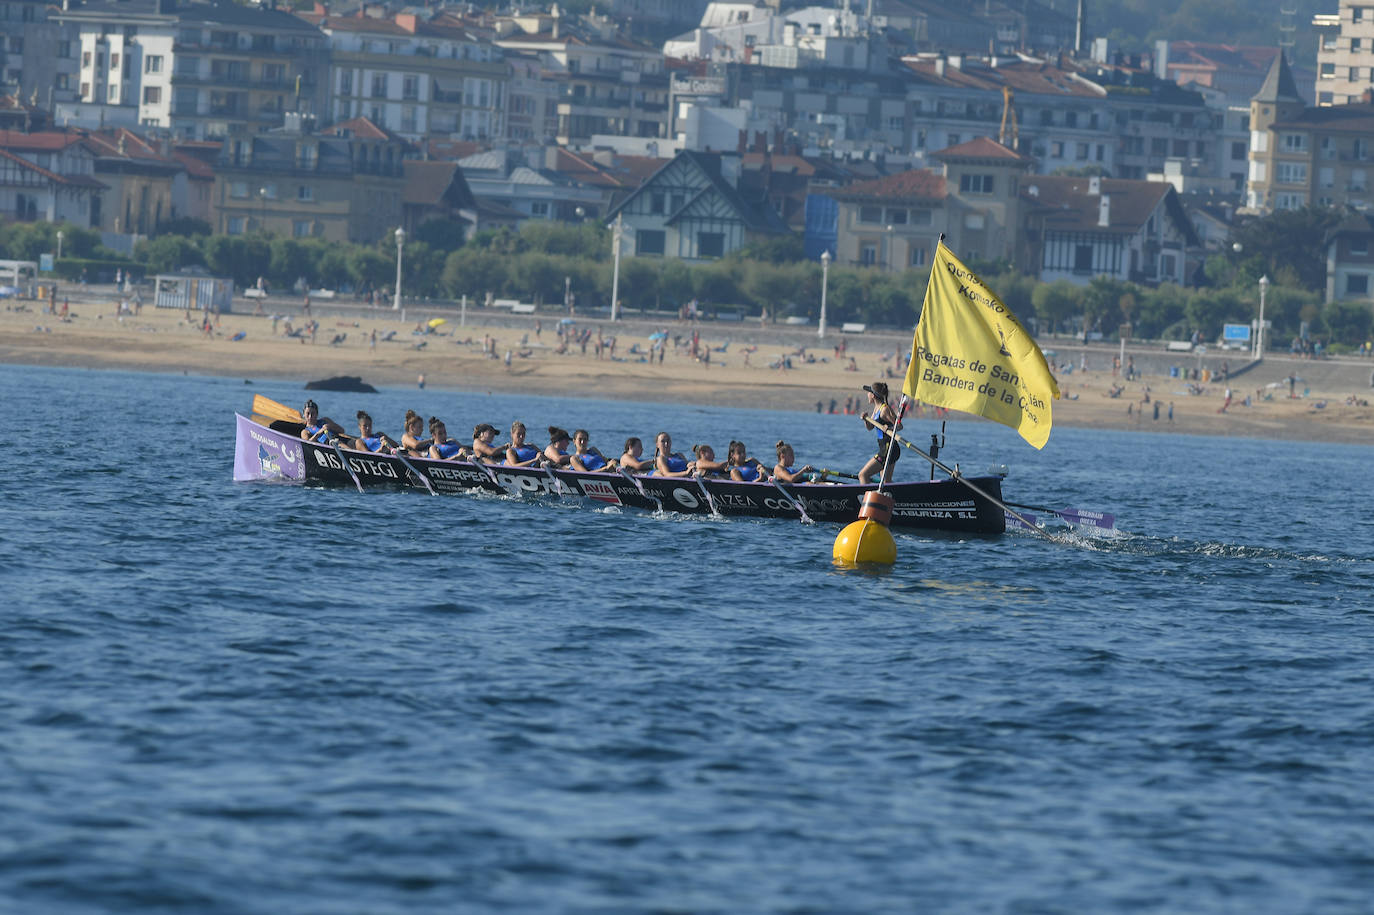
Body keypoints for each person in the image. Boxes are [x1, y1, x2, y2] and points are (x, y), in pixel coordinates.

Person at [858, 382, 902, 484]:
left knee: (863, 475)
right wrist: (866, 420)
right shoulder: (876, 408)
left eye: (868, 392)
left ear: (873, 395)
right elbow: (870, 428)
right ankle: (889, 499)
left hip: (889, 448)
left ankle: (864, 498)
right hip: (886, 447)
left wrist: (889, 427)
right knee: (886, 482)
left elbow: (899, 426)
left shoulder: (885, 409)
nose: (867, 395)